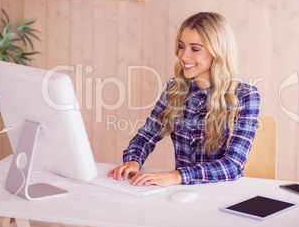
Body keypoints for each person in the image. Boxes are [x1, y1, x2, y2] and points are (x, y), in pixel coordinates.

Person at [108, 12, 260, 187]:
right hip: (181, 193)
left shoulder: (245, 96)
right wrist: (133, 161)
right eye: (181, 46)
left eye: (195, 49)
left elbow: (232, 166)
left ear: (217, 52)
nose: (183, 56)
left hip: (221, 192)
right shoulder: (175, 89)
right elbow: (145, 136)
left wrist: (175, 176)